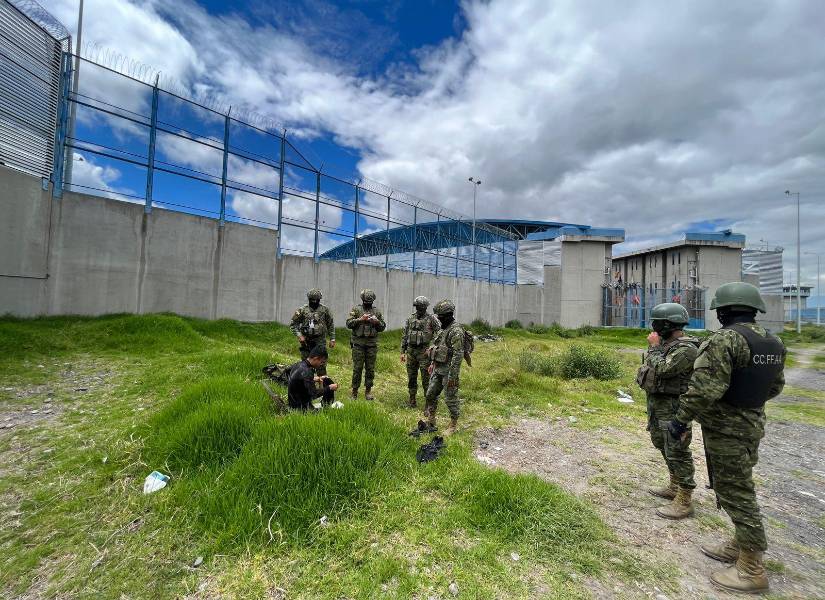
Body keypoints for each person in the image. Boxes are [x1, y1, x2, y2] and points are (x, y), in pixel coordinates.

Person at [668, 282, 785, 594]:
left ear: (723, 311)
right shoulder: (772, 341)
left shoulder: (725, 339)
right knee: (738, 484)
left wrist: (680, 420)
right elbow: (775, 388)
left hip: (726, 429)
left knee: (736, 491)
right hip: (752, 424)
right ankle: (740, 544)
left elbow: (705, 389)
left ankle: (751, 568)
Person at [636, 303, 700, 519]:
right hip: (658, 407)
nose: (653, 326)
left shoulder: (687, 349)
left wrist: (653, 348)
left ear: (667, 324)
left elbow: (665, 369)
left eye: (657, 322)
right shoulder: (666, 345)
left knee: (678, 450)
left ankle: (684, 500)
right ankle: (674, 485)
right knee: (661, 444)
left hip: (675, 409)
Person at [423, 299, 464, 436]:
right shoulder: (443, 329)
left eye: (441, 317)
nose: (439, 319)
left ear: (448, 315)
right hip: (438, 368)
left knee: (450, 398)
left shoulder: (456, 330)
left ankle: (453, 424)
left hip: (449, 371)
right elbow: (438, 347)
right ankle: (432, 419)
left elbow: (458, 355)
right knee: (430, 394)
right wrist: (432, 363)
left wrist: (453, 376)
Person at [346, 289, 386, 400]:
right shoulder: (356, 310)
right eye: (366, 301)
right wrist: (360, 319)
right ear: (362, 300)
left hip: (371, 345)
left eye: (370, 302)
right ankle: (354, 391)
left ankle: (368, 391)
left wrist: (377, 322)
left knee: (370, 369)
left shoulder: (377, 312)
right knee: (357, 368)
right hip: (358, 344)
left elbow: (382, 327)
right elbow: (348, 324)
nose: (368, 304)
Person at [401, 296, 441, 408]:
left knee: (426, 379)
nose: (419, 309)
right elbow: (405, 335)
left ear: (425, 307)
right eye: (417, 307)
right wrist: (402, 351)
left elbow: (440, 333)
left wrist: (433, 346)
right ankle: (412, 400)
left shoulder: (432, 319)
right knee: (411, 377)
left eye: (421, 307)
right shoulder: (410, 318)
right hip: (411, 352)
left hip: (425, 353)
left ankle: (428, 404)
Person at [290, 288, 335, 376]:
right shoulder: (302, 310)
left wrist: (332, 339)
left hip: (320, 341)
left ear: (319, 299)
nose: (314, 302)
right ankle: (307, 384)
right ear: (309, 299)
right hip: (306, 341)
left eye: (316, 300)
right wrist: (299, 335)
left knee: (321, 364)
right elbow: (293, 325)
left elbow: (331, 325)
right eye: (312, 300)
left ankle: (322, 386)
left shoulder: (325, 310)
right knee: (306, 364)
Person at [287, 345, 339, 411]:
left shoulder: (299, 364)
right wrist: (329, 387)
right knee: (330, 413)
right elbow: (313, 394)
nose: (321, 364)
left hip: (292, 403)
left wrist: (313, 379)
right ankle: (326, 406)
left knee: (326, 380)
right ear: (315, 358)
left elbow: (296, 379)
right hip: (301, 408)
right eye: (322, 362)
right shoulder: (308, 371)